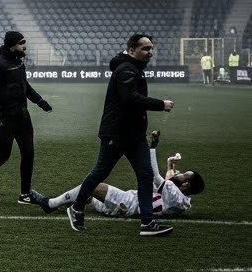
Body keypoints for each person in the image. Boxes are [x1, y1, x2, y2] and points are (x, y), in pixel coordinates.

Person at [64, 34, 175, 236]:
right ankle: (76, 208)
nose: (150, 52)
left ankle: (147, 222)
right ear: (132, 50)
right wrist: (160, 104)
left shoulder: (132, 68)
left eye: (151, 48)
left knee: (145, 174)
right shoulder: (126, 70)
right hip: (117, 133)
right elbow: (129, 98)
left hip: (135, 134)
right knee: (100, 173)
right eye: (145, 48)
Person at [32, 131, 202, 219]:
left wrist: (152, 147)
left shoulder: (174, 193)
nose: (180, 174)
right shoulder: (183, 202)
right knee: (89, 194)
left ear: (186, 185)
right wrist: (170, 165)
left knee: (93, 184)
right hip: (124, 206)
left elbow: (156, 177)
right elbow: (169, 183)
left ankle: (50, 204)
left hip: (128, 203)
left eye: (184, 175)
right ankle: (61, 204)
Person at [0, 31, 54, 205]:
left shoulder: (18, 61)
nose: (24, 46)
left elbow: (24, 85)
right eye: (21, 43)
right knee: (4, 154)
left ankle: (25, 194)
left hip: (22, 115)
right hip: (5, 117)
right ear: (12, 45)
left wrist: (39, 101)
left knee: (29, 153)